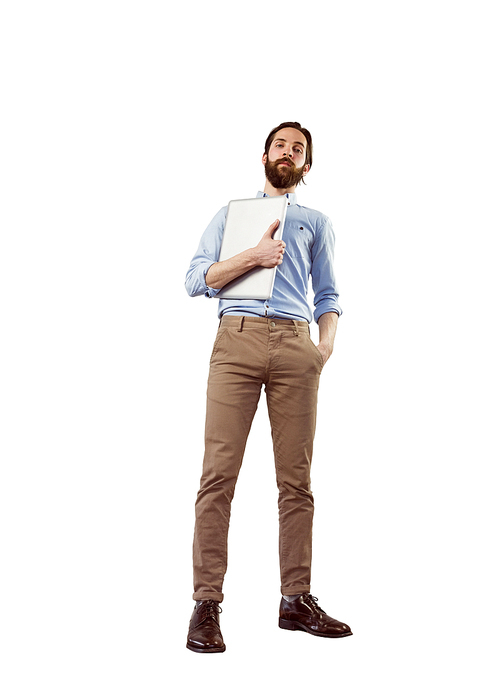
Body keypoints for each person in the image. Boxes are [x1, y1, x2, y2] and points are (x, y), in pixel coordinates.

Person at [184, 122, 352, 653]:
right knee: (218, 475)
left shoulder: (315, 222)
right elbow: (194, 280)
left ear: (306, 167)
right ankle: (206, 604)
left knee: (296, 482)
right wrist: (252, 258)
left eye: (298, 149)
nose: (289, 152)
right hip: (236, 341)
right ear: (264, 155)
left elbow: (327, 293)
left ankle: (294, 600)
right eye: (281, 144)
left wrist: (322, 349)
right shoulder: (232, 216)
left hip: (296, 343)